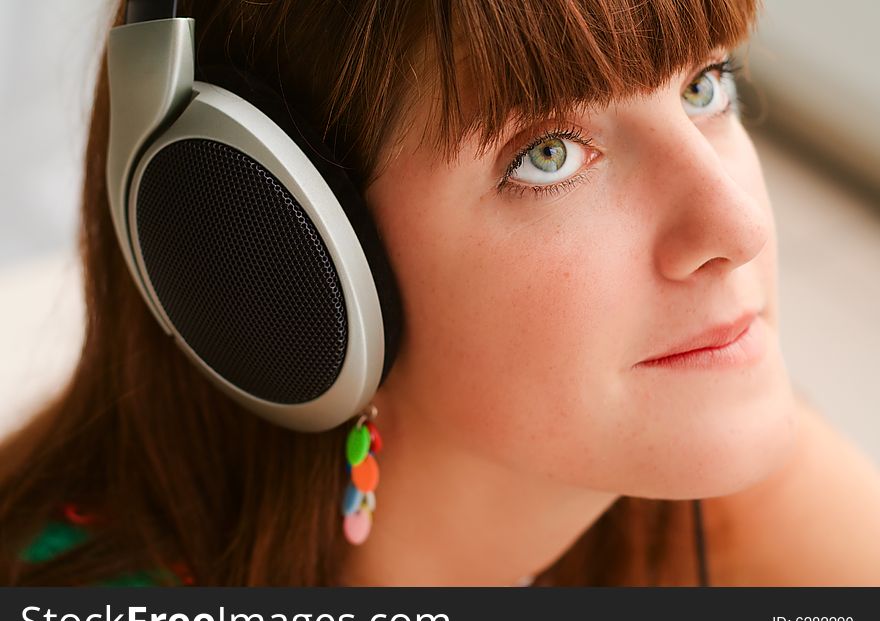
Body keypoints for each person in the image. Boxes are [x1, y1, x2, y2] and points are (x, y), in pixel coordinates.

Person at [2, 0, 879, 587]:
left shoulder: (696, 480)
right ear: (276, 267)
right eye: (549, 154)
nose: (736, 229)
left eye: (703, 85)